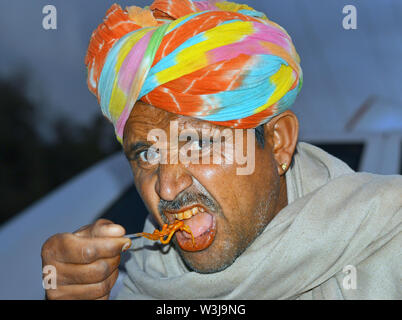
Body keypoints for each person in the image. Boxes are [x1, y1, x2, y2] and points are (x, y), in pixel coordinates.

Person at [41, 0, 401, 300]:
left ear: (278, 143)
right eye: (148, 155)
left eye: (198, 143)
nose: (166, 187)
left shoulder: (389, 240)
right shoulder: (148, 281)